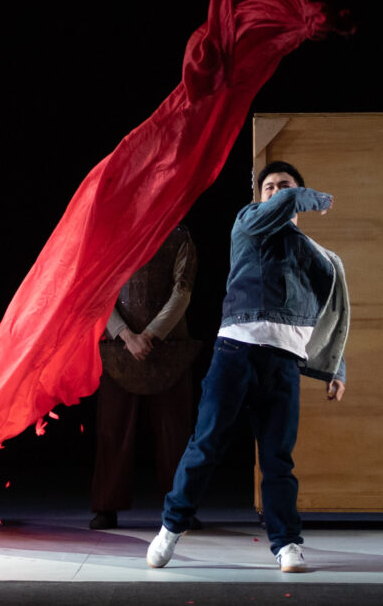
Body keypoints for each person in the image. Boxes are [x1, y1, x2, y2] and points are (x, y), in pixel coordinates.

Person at [148, 160, 351, 575]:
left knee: (277, 458)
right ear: (259, 198)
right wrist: (303, 196)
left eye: (285, 185)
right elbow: (278, 206)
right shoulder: (248, 223)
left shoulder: (316, 256)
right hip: (236, 350)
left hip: (284, 360)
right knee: (206, 444)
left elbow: (328, 318)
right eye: (269, 187)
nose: (276, 191)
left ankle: (287, 544)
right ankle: (171, 527)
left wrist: (336, 368)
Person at [89, 224, 202, 530]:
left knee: (175, 433)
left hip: (169, 345)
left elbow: (182, 291)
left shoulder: (180, 236)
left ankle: (181, 508)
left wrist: (150, 334)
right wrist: (126, 335)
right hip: (119, 347)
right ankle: (106, 506)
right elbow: (101, 290)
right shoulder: (112, 237)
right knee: (112, 430)